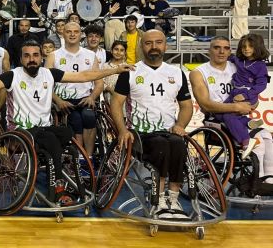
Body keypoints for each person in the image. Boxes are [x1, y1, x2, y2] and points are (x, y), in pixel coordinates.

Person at [0, 40, 130, 203]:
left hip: (43, 130)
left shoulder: (49, 74)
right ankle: (58, 189)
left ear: (41, 57)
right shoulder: (12, 76)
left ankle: (71, 181)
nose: (32, 59)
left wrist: (115, 70)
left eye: (35, 55)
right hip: (20, 132)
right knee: (51, 140)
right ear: (21, 58)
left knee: (66, 133)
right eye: (27, 55)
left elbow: (84, 76)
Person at [113, 29, 193, 219]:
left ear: (165, 45)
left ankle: (173, 199)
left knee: (178, 144)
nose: (154, 47)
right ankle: (159, 198)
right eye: (149, 43)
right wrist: (122, 130)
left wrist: (180, 124)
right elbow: (116, 103)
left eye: (158, 42)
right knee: (162, 145)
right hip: (141, 134)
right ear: (142, 46)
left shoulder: (176, 72)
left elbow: (187, 106)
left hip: (168, 130)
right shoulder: (130, 72)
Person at [190, 36, 273, 183]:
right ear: (209, 50)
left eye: (226, 48)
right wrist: (236, 106)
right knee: (258, 142)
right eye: (217, 47)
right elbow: (205, 105)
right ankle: (257, 185)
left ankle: (269, 180)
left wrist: (252, 103)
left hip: (239, 113)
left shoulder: (238, 66)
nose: (222, 51)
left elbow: (255, 95)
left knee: (267, 136)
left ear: (230, 51)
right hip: (216, 119)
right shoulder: (198, 72)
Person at [46, 22, 103, 156]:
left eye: (76, 32)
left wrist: (92, 97)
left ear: (81, 35)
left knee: (88, 116)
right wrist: (58, 101)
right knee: (75, 119)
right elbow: (45, 83)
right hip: (65, 101)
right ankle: (78, 155)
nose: (72, 34)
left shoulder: (90, 55)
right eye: (69, 31)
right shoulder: (53, 56)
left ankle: (87, 158)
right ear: (63, 34)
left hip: (85, 99)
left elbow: (99, 83)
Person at [216, 34, 270, 158]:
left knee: (228, 116)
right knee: (218, 114)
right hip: (235, 92)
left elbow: (262, 85)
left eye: (251, 46)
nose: (246, 49)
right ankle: (248, 122)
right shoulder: (239, 60)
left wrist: (245, 94)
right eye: (244, 46)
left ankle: (246, 141)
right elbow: (225, 58)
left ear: (258, 47)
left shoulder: (260, 66)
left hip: (248, 94)